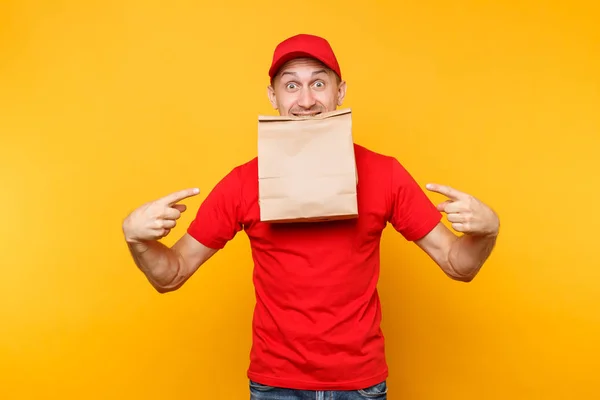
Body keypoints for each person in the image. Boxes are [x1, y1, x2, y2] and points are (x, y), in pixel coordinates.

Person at [122, 33, 500, 400]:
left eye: (319, 83)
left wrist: (486, 232)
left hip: (361, 384)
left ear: (340, 92)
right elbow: (171, 274)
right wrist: (137, 240)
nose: (306, 100)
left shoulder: (385, 174)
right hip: (275, 384)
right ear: (273, 96)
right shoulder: (243, 182)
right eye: (291, 86)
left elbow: (457, 264)